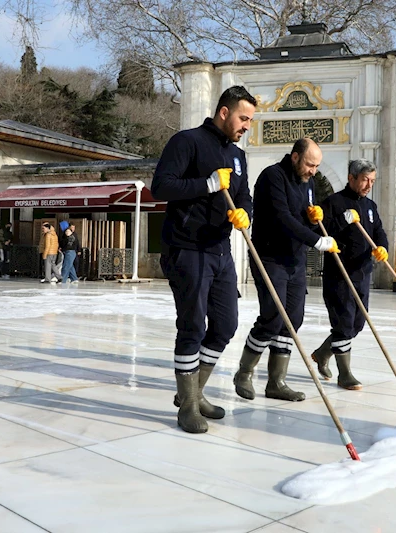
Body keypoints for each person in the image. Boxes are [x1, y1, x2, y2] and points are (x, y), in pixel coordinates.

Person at [152, 86, 255, 434]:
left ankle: (194, 393)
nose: (246, 126)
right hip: (187, 247)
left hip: (219, 250)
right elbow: (161, 187)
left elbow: (244, 196)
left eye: (250, 120)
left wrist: (244, 212)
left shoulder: (238, 156)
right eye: (243, 118)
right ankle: (188, 406)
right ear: (224, 112)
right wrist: (207, 185)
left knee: (225, 325)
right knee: (193, 326)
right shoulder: (187, 142)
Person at [233, 138, 339, 403]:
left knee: (293, 319)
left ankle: (276, 382)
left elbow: (301, 220)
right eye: (310, 164)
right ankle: (244, 372)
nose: (313, 171)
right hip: (269, 257)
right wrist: (316, 241)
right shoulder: (272, 177)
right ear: (295, 157)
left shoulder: (308, 183)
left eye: (317, 166)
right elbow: (282, 219)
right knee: (273, 317)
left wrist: (313, 221)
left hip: (295, 260)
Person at [311, 159, 389, 391]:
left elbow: (378, 231)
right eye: (365, 180)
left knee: (357, 323)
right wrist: (343, 220)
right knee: (344, 323)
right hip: (339, 273)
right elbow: (320, 231)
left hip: (362, 272)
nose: (369, 185)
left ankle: (323, 353)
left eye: (372, 181)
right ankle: (344, 374)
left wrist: (382, 246)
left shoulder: (371, 206)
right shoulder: (334, 202)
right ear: (351, 178)